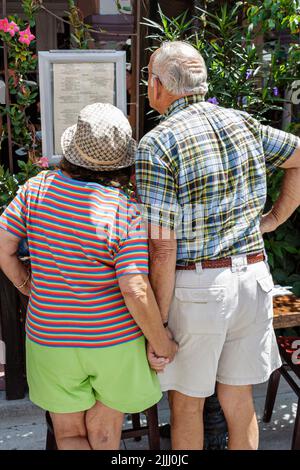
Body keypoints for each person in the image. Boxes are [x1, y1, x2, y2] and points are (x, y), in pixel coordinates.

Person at [135, 41, 300, 450]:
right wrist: (274, 219)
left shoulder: (157, 144)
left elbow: (162, 248)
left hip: (199, 290)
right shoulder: (242, 122)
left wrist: (156, 324)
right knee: (239, 401)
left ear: (158, 86)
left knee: (187, 405)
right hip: (253, 279)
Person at [0, 102, 177, 450]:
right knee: (105, 435)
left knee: (69, 436)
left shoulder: (37, 190)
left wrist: (26, 284)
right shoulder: (123, 209)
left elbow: (3, 247)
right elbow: (135, 288)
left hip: (50, 337)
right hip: (114, 341)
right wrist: (162, 343)